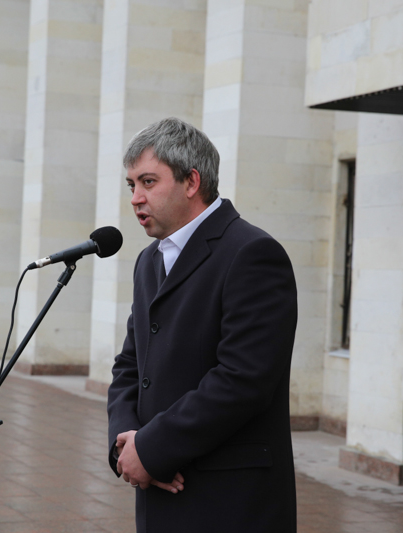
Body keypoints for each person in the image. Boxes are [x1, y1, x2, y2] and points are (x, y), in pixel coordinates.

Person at [106, 117, 298, 532]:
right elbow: (130, 365)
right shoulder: (149, 260)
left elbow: (243, 380)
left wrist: (152, 449)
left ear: (191, 181)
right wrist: (126, 443)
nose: (136, 198)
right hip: (158, 493)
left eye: (148, 182)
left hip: (226, 502)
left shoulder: (252, 253)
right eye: (131, 185)